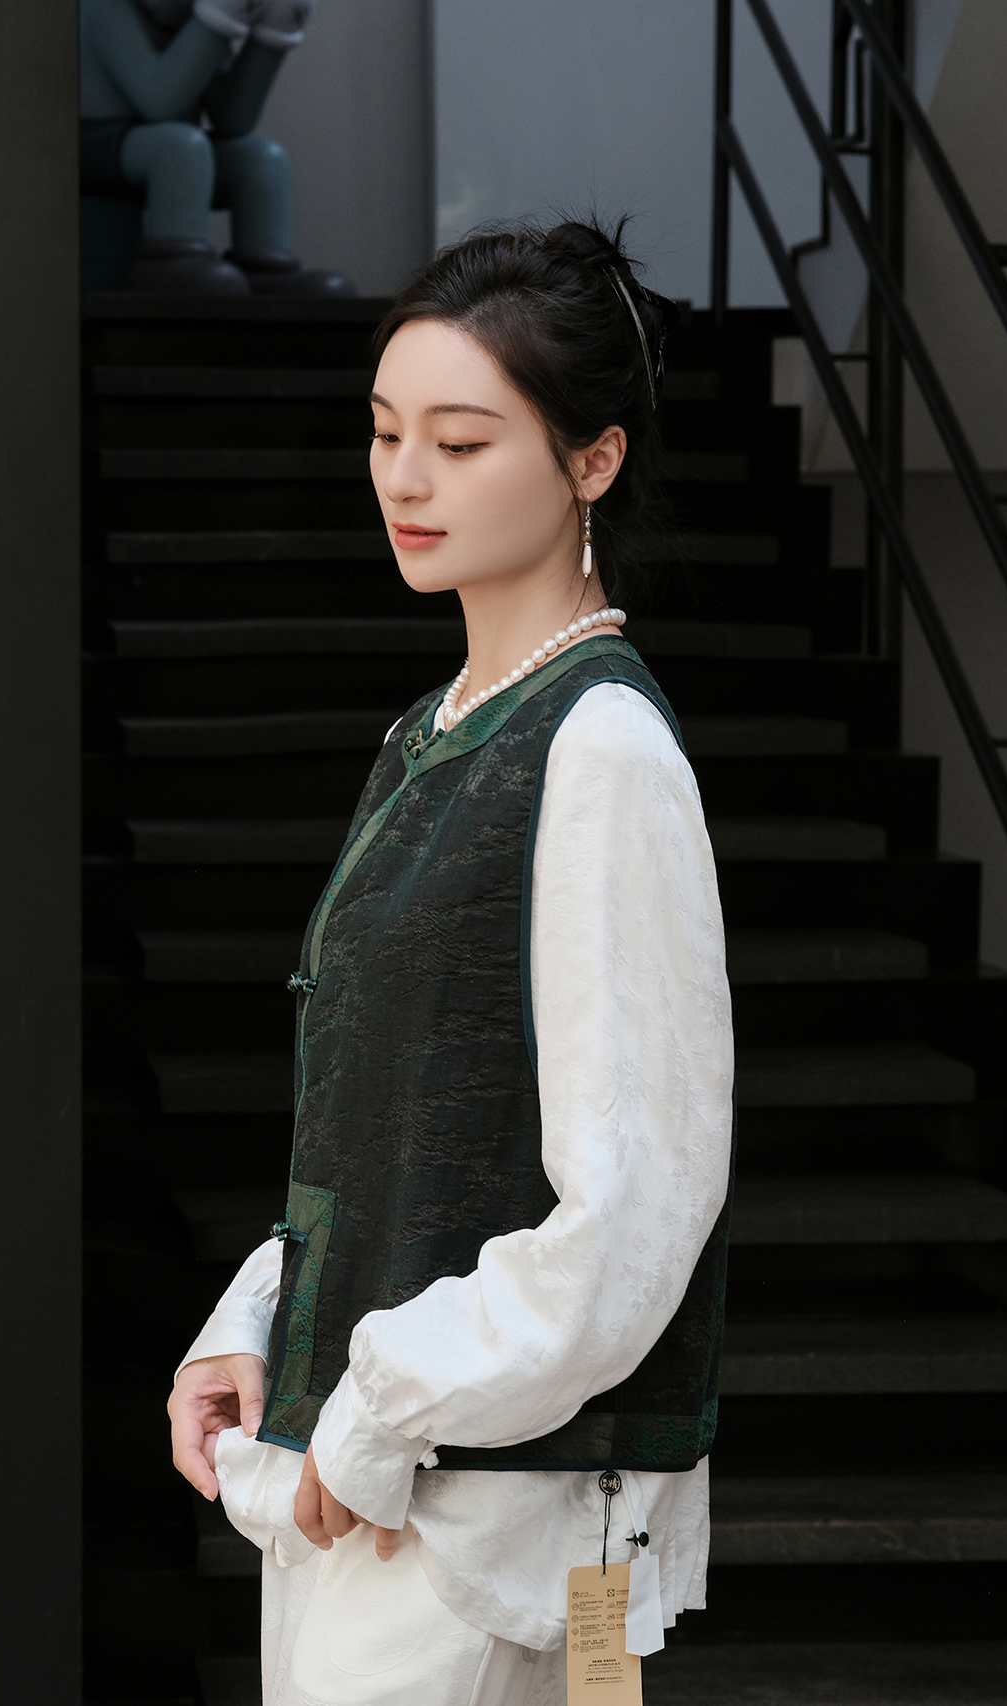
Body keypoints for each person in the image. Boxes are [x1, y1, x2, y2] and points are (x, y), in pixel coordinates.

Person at [167, 219, 735, 1705]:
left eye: (462, 441)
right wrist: (256, 1325)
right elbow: (389, 1120)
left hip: (483, 1515)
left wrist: (374, 1411)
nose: (404, 477)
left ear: (592, 459)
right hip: (376, 1483)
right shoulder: (436, 731)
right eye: (385, 431)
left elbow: (632, 1210)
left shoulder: (601, 747)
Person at [80, 0, 353, 294]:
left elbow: (232, 118)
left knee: (261, 159)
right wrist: (221, 16)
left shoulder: (183, 16)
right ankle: (174, 262)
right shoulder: (101, 8)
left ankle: (266, 270)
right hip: (96, 143)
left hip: (160, 148)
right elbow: (159, 103)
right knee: (181, 149)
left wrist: (276, 31)